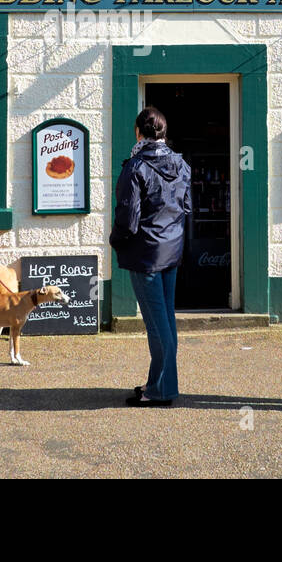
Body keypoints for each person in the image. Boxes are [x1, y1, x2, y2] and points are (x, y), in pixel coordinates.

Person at [110, 107, 191, 406]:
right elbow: (186, 208)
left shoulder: (135, 166)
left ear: (138, 132)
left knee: (157, 326)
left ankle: (160, 391)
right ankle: (158, 384)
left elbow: (127, 218)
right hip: (171, 249)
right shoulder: (180, 164)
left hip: (146, 254)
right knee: (166, 322)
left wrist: (116, 242)